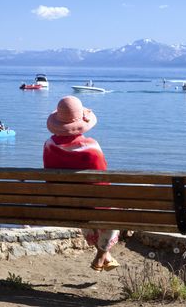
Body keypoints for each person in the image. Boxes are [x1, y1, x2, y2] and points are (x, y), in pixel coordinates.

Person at [43, 96, 120, 272]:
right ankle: (102, 254)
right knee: (114, 212)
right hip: (93, 203)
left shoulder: (49, 145)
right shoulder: (91, 148)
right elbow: (103, 181)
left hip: (66, 205)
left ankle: (104, 256)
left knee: (83, 208)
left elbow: (49, 177)